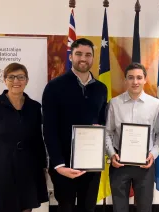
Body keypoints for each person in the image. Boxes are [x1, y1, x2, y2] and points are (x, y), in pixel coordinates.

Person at [42, 38, 108, 212]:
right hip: (64, 165)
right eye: (78, 54)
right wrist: (58, 164)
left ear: (93, 58)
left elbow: (102, 122)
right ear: (71, 56)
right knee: (66, 208)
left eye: (88, 54)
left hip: (91, 164)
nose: (83, 58)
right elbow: (49, 128)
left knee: (89, 208)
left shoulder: (101, 89)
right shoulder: (54, 87)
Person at [0, 63, 48, 212]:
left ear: (26, 80)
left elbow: (38, 142)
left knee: (25, 208)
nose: (16, 81)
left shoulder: (34, 108)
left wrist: (43, 169)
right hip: (0, 172)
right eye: (11, 77)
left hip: (28, 171)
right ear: (4, 80)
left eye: (21, 77)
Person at [105, 62, 159, 212]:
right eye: (131, 78)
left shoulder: (156, 104)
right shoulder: (114, 103)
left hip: (145, 164)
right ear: (125, 80)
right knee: (119, 208)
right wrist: (112, 155)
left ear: (145, 79)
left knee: (145, 207)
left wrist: (153, 155)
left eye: (139, 77)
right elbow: (107, 132)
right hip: (119, 164)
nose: (135, 82)